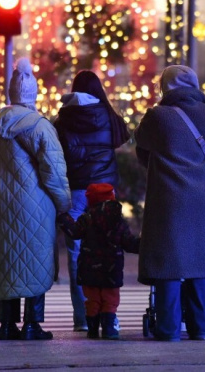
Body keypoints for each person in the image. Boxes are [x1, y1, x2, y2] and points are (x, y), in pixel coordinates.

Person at [134, 65, 205, 341]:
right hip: (201, 199)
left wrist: (159, 168)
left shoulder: (157, 117)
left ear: (165, 87)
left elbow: (141, 146)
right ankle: (201, 328)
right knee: (200, 261)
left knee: (168, 263)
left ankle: (167, 329)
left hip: (166, 199)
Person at [0, 57, 71, 341]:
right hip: (37, 206)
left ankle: (7, 324)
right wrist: (64, 204)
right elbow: (55, 172)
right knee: (35, 259)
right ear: (33, 94)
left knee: (9, 260)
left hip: (2, 206)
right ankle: (32, 324)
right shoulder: (40, 126)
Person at [53, 69, 131, 332]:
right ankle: (109, 315)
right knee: (110, 251)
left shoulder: (64, 119)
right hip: (105, 192)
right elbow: (125, 135)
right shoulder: (109, 117)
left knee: (77, 255)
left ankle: (84, 317)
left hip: (76, 190)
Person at [57, 183, 140, 340]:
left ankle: (93, 330)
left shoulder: (86, 219)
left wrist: (63, 217)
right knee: (110, 299)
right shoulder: (118, 221)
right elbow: (129, 243)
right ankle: (109, 329)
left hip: (89, 269)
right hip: (112, 269)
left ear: (90, 201)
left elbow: (74, 232)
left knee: (92, 299)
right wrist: (145, 245)